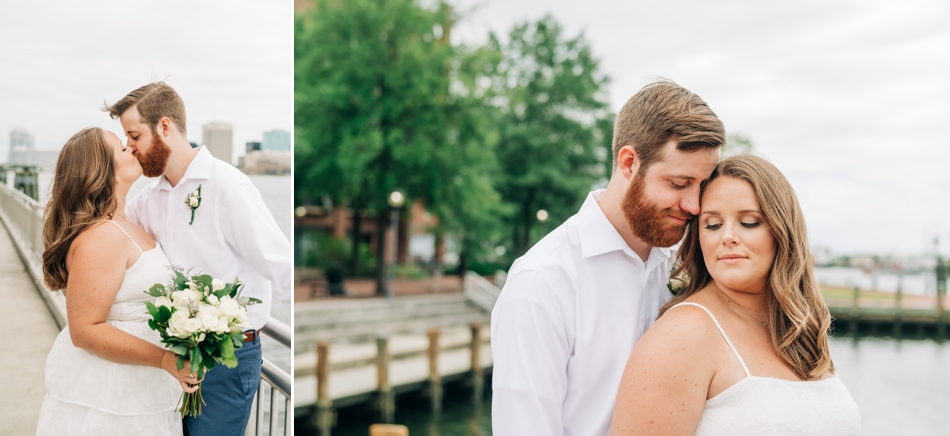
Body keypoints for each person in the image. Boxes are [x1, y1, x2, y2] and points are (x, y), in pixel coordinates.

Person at [490, 80, 726, 436]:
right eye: (679, 183)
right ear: (629, 163)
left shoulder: (690, 264)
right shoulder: (542, 283)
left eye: (702, 186)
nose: (694, 205)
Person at [611, 154, 861, 435]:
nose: (727, 236)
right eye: (713, 224)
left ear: (783, 231)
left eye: (749, 222)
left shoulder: (800, 330)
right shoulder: (683, 334)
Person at [103, 82, 292, 435]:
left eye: (134, 135)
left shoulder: (228, 187)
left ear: (164, 127)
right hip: (169, 356)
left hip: (227, 360)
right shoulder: (145, 201)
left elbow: (281, 266)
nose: (129, 146)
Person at [36, 127, 198, 436]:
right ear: (101, 171)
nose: (132, 148)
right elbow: (85, 330)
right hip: (111, 395)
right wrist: (165, 359)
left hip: (140, 390)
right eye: (121, 149)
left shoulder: (126, 223)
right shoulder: (102, 237)